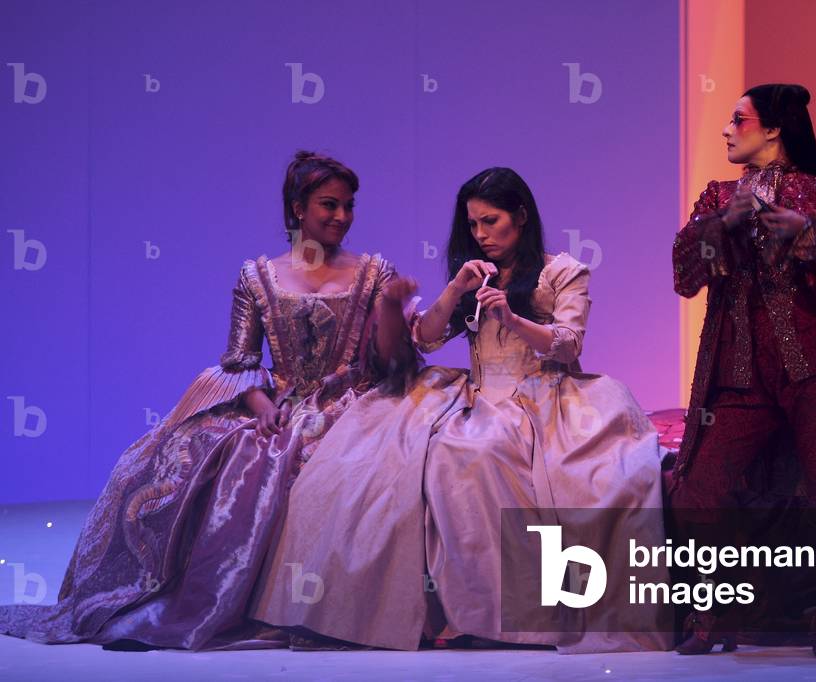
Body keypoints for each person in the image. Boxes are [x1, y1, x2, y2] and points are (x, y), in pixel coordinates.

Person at [0, 150, 418, 650]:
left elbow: (393, 362)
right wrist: (263, 406)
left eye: (349, 206)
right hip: (279, 400)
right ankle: (182, 598)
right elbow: (240, 359)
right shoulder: (258, 276)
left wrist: (392, 305)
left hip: (353, 400)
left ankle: (323, 608)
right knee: (173, 462)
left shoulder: (374, 272)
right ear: (296, 208)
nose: (342, 217)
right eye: (329, 205)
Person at [251, 167, 672, 653]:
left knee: (543, 466)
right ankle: (463, 615)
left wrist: (512, 319)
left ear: (521, 215)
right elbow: (424, 339)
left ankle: (528, 617)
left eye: (490, 221)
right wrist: (454, 290)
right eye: (472, 225)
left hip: (547, 394)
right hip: (480, 394)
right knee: (415, 455)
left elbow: (567, 343)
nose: (481, 235)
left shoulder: (563, 271)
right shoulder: (477, 274)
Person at [669, 84, 816, 656]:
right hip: (738, 369)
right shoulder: (717, 195)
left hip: (813, 364)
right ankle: (716, 613)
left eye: (739, 120)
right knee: (697, 487)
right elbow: (684, 275)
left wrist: (809, 233)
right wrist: (719, 225)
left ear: (774, 128)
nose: (727, 130)